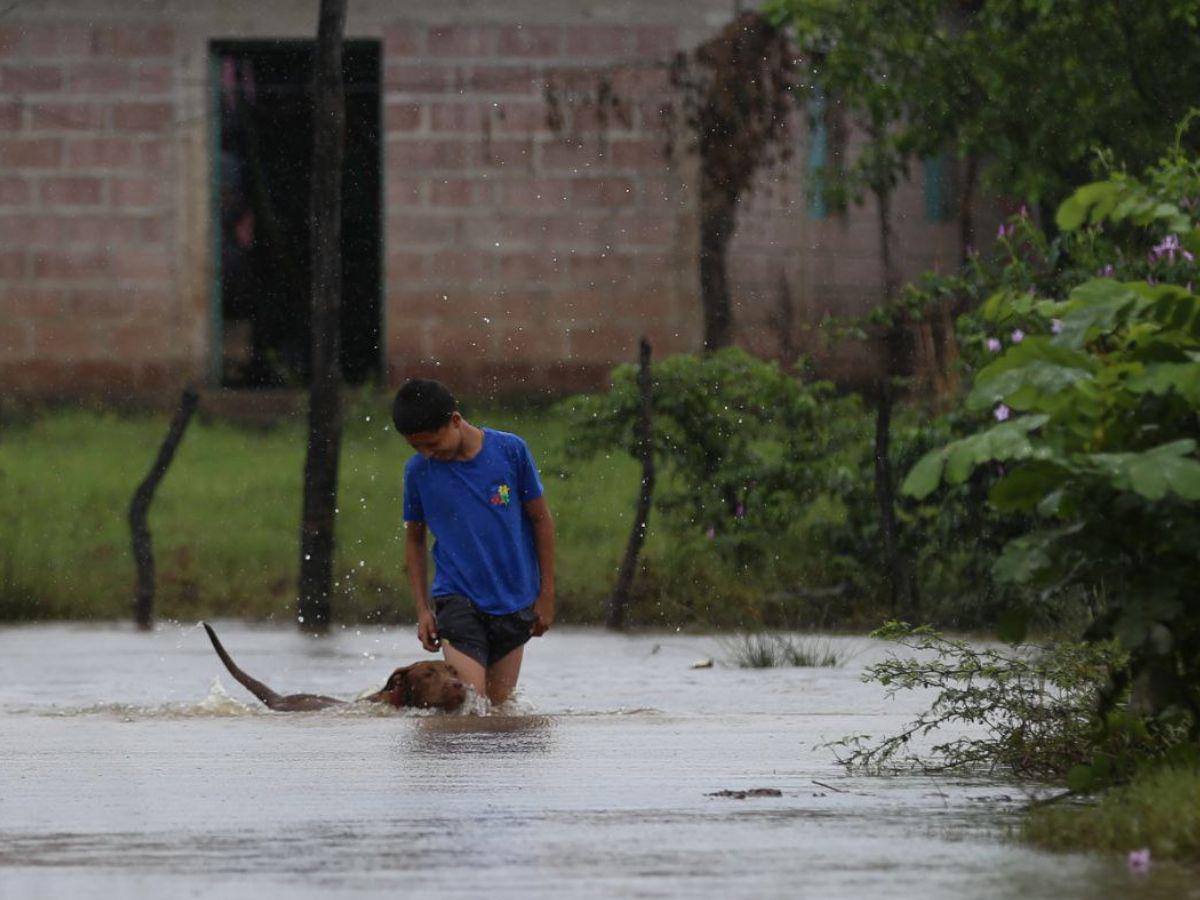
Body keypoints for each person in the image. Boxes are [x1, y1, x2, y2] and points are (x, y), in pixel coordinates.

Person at [392, 378, 556, 705]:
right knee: (470, 704)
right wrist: (423, 609)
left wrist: (546, 595)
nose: (427, 454)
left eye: (432, 443)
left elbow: (541, 520)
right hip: (457, 598)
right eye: (417, 448)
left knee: (496, 709)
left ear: (455, 421)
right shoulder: (418, 472)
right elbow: (414, 540)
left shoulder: (511, 452)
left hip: (514, 599)